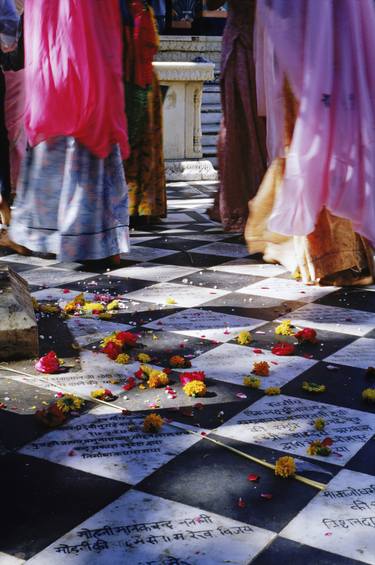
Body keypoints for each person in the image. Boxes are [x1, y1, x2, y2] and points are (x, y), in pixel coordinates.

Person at [245, 0, 375, 285]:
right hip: (320, 65)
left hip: (322, 65)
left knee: (326, 150)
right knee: (322, 151)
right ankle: (332, 257)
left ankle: (342, 258)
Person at [7, 0, 130, 266]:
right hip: (95, 79)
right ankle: (105, 244)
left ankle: (41, 237)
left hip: (60, 82)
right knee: (93, 161)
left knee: (55, 160)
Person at [207, 0, 267, 233]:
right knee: (241, 125)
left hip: (252, 48)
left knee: (245, 126)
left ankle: (257, 202)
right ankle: (252, 200)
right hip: (248, 47)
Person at [122, 0, 166, 225]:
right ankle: (141, 206)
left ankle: (138, 206)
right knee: (140, 144)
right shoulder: (137, 10)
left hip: (135, 80)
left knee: (138, 145)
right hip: (136, 80)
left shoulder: (138, 9)